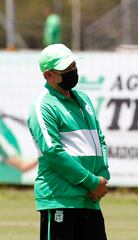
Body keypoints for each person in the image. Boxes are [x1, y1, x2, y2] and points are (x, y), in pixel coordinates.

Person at [27, 43, 110, 240]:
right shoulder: (43, 105)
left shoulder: (84, 99)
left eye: (73, 65)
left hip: (90, 200)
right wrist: (91, 182)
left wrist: (102, 176)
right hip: (60, 199)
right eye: (66, 69)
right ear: (49, 75)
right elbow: (53, 151)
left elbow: (100, 140)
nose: (73, 71)